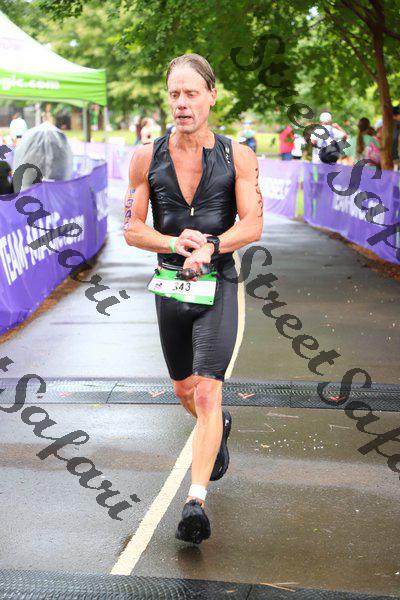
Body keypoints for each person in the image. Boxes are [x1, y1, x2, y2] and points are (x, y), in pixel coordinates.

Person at [123, 53, 262, 544]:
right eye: (174, 94)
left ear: (211, 96)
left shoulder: (238, 156)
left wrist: (212, 245)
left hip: (217, 283)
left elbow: (253, 223)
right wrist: (172, 242)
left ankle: (195, 503)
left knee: (206, 390)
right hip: (169, 285)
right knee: (184, 391)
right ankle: (217, 427)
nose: (181, 103)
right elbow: (132, 228)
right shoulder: (146, 158)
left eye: (191, 93)